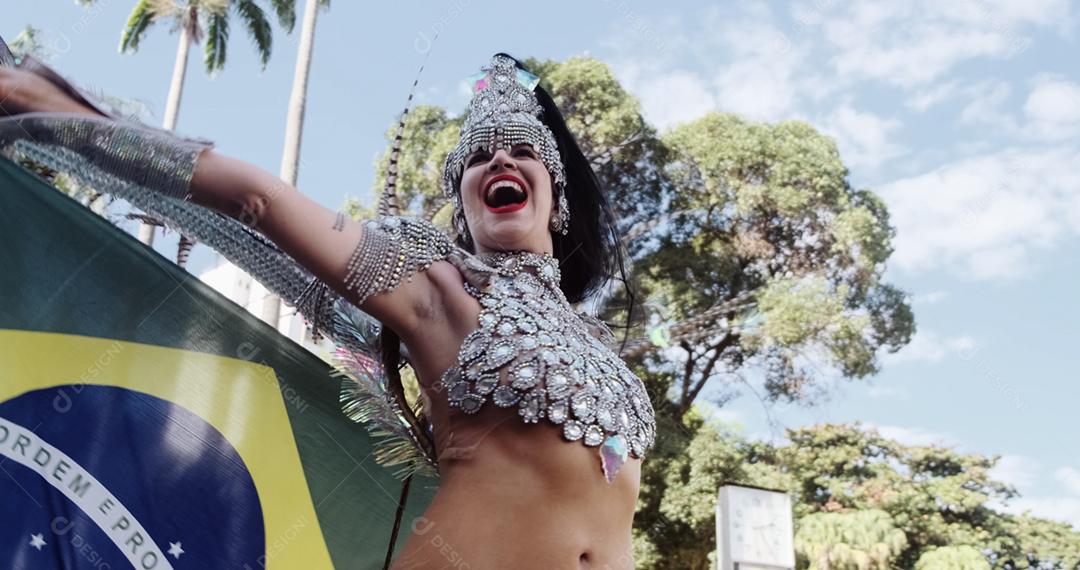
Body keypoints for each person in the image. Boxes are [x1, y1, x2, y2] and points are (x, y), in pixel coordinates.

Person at [0, 51, 656, 569]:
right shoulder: (436, 291)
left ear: (555, 194)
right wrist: (50, 107)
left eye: (520, 151)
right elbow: (258, 199)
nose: (499, 161)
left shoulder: (600, 349)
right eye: (477, 158)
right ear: (464, 207)